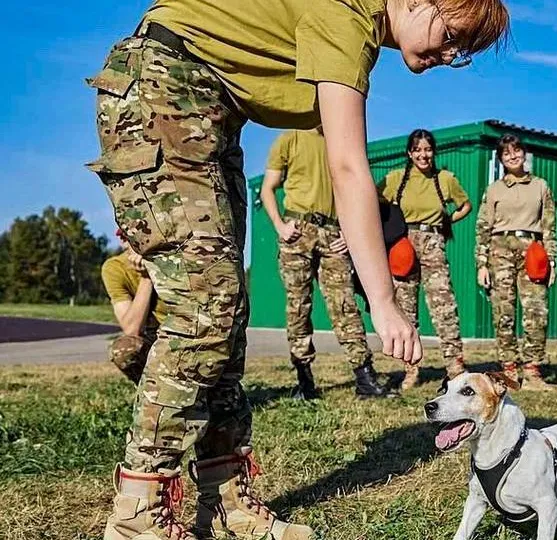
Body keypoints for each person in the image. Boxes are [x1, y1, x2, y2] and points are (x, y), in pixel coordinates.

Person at [85, 0, 509, 537]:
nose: (448, 55)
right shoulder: (349, 16)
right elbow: (349, 167)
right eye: (451, 35)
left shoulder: (360, 24)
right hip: (166, 86)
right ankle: (138, 513)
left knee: (227, 314)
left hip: (211, 111)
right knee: (206, 308)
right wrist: (382, 300)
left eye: (461, 53)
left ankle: (225, 501)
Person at [261, 128, 395, 400]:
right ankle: (304, 380)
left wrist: (349, 232)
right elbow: (267, 188)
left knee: (345, 305)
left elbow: (354, 191)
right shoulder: (290, 139)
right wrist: (279, 225)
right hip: (298, 231)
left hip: (334, 235)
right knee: (298, 306)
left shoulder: (341, 140)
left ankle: (365, 379)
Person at [379, 129, 472, 390]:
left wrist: (447, 221)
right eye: (417, 149)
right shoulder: (396, 178)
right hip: (403, 246)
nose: (423, 154)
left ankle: (455, 368)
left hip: (433, 243)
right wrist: (389, 222)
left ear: (434, 151)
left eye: (428, 149)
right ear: (409, 153)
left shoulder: (445, 179)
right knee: (406, 310)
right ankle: (411, 370)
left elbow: (465, 204)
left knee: (444, 307)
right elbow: (373, 198)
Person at [475, 134, 557, 391]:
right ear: (500, 159)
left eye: (517, 151)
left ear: (524, 154)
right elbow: (483, 228)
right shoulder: (494, 190)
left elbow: (550, 227)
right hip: (500, 251)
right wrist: (481, 263)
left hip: (533, 251)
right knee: (503, 314)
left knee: (536, 312)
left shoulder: (541, 186)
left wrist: (551, 260)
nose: (512, 156)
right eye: (506, 153)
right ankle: (509, 370)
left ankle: (533, 372)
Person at [101, 230, 167, 384]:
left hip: (188, 334)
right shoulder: (115, 268)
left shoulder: (175, 260)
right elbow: (132, 329)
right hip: (155, 338)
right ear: (124, 241)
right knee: (124, 349)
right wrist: (146, 277)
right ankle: (151, 391)